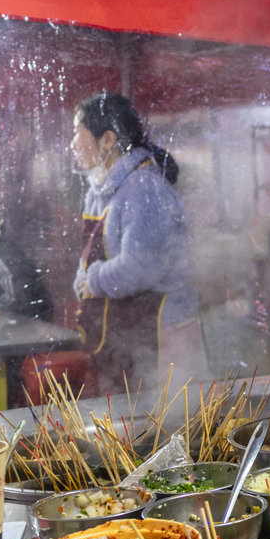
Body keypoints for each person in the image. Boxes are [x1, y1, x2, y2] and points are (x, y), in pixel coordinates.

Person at [71, 92, 201, 392]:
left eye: (78, 133)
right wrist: (83, 280)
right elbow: (88, 259)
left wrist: (92, 280)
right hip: (126, 332)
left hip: (162, 331)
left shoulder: (143, 188)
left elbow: (143, 266)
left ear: (107, 140)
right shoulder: (101, 191)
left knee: (167, 424)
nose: (72, 143)